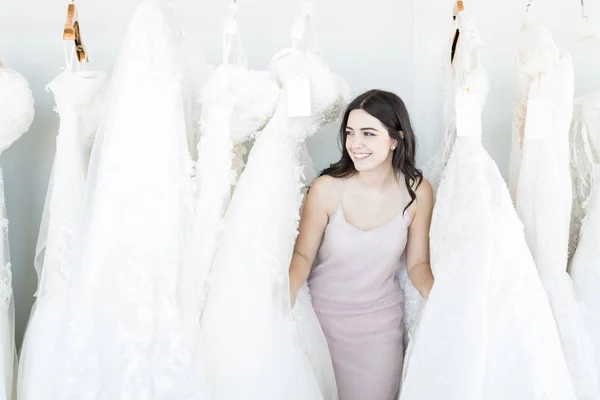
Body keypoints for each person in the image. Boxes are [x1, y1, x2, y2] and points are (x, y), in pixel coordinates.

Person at [288, 89, 434, 400]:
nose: (355, 143)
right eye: (350, 133)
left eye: (368, 133)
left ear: (396, 138)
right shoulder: (326, 189)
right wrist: (284, 294)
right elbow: (302, 254)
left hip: (379, 330)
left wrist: (438, 296)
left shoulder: (418, 191)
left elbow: (418, 263)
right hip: (321, 322)